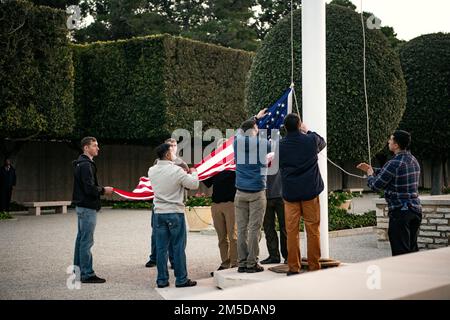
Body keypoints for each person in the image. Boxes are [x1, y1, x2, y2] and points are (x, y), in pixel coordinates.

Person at [357, 130, 422, 256]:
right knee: (412, 251)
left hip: (400, 213)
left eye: (391, 139)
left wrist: (370, 175)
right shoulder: (413, 160)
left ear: (396, 144)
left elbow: (376, 186)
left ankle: (401, 276)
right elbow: (387, 172)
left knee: (400, 253)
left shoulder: (394, 163)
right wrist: (371, 169)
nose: (388, 141)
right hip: (415, 211)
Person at [279, 113, 326, 275]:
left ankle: (294, 267)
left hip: (290, 193)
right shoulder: (310, 140)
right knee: (312, 230)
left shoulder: (280, 145)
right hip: (310, 191)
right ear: (300, 125)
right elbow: (322, 142)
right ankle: (314, 266)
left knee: (291, 232)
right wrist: (308, 131)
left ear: (285, 128)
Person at [148, 143, 199, 288]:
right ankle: (181, 279)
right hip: (175, 212)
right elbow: (194, 184)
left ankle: (162, 280)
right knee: (178, 247)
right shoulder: (176, 171)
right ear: (168, 155)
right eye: (172, 151)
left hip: (159, 212)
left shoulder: (152, 170)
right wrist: (194, 172)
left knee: (161, 248)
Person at [233, 109, 270, 273]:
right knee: (254, 229)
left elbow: (240, 130)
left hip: (240, 192)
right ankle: (252, 263)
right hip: (256, 191)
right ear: (254, 131)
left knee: (241, 229)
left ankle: (241, 263)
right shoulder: (262, 143)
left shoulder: (236, 141)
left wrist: (255, 118)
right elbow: (276, 144)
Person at [72, 137, 113, 283]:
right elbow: (89, 188)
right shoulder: (85, 165)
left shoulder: (81, 163)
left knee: (81, 239)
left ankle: (77, 271)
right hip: (87, 206)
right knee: (86, 241)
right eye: (94, 146)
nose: (98, 148)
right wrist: (104, 190)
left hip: (82, 205)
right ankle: (87, 274)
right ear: (86, 148)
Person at [145, 138, 186, 269]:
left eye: (174, 145)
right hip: (160, 203)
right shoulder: (156, 164)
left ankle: (173, 262)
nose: (173, 147)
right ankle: (154, 257)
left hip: (173, 202)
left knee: (173, 239)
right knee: (157, 235)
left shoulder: (181, 164)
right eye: (170, 146)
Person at [203, 138, 237, 276]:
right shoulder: (215, 166)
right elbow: (207, 182)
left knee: (233, 236)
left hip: (231, 204)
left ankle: (235, 264)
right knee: (222, 237)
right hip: (216, 204)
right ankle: (225, 263)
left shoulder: (235, 163)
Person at [261, 170, 288, 265]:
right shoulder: (258, 155)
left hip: (281, 194)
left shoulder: (282, 154)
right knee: (268, 228)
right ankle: (274, 256)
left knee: (285, 227)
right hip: (265, 195)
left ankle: (288, 256)